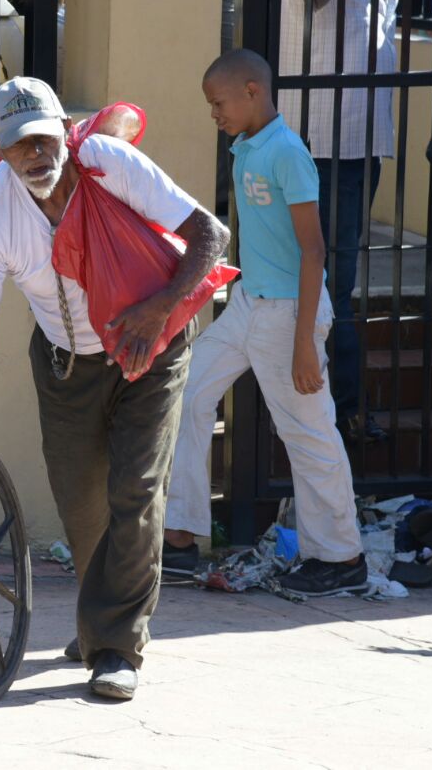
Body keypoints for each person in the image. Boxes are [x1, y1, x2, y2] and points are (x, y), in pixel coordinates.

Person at [0, 77, 230, 700]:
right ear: (1, 150)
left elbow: (212, 235)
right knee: (82, 503)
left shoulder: (108, 164)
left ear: (64, 135)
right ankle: (100, 616)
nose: (37, 156)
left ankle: (117, 647)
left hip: (149, 346)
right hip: (67, 363)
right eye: (21, 147)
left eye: (45, 139)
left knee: (136, 488)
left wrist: (160, 308)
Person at [165, 50, 367, 598]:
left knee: (308, 432)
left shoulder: (287, 153)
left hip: (288, 315)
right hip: (249, 305)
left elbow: (314, 250)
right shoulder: (245, 148)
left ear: (252, 90)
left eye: (218, 102)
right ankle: (180, 541)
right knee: (185, 394)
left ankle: (341, 557)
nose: (213, 113)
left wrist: (304, 341)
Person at [278, 0, 432, 444]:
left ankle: (321, 409)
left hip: (358, 154)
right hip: (319, 156)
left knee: (330, 285)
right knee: (324, 288)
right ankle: (336, 411)